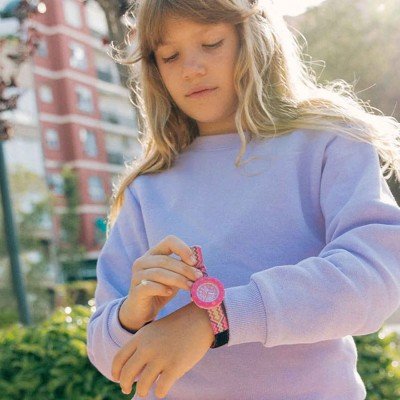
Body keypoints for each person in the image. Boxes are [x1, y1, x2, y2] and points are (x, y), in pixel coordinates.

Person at [86, 1, 400, 399]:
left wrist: (214, 318)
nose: (191, 68)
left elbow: (374, 277)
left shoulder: (329, 140)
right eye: (170, 56)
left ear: (254, 37)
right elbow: (107, 355)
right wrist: (131, 315)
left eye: (211, 43)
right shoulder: (145, 187)